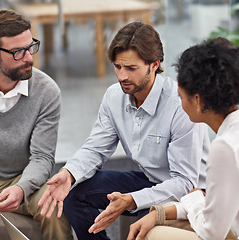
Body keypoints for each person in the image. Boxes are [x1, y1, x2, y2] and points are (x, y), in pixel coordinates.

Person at [38, 21, 210, 240]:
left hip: (190, 194)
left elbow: (184, 183)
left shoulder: (180, 104)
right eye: (118, 67)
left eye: (131, 68)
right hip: (150, 180)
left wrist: (132, 199)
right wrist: (69, 173)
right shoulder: (113, 96)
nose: (122, 76)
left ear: (154, 64)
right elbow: (95, 149)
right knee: (74, 195)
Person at [127, 37, 239, 240]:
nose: (178, 103)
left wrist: (194, 197)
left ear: (198, 100)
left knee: (155, 235)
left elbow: (212, 232)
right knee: (156, 221)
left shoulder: (224, 147)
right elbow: (218, 208)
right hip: (227, 224)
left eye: (180, 96)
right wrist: (161, 213)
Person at [0, 9, 73, 240]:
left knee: (53, 208)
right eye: (17, 52)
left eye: (30, 46)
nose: (28, 58)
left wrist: (22, 188)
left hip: (23, 178)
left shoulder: (47, 91)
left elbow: (43, 157)